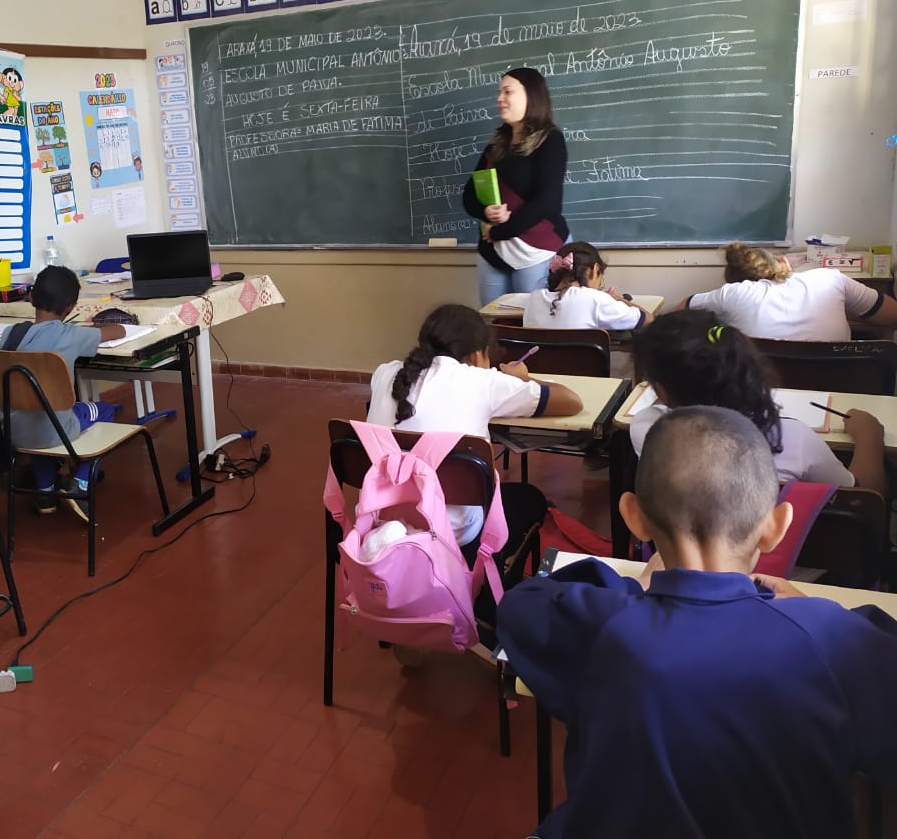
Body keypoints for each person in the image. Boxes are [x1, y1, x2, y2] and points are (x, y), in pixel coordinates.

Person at [498, 406, 897, 838]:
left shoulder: (607, 627)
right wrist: (812, 610)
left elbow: (521, 608)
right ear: (776, 527)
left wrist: (636, 590)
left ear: (634, 517)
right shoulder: (833, 641)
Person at [367, 304, 583, 555]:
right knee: (530, 498)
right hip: (454, 534)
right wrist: (520, 380)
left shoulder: (384, 374)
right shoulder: (483, 382)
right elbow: (571, 401)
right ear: (475, 355)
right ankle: (487, 587)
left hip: (382, 523)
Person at [631, 309, 885, 494]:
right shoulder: (794, 439)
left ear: (660, 389)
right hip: (791, 566)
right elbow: (865, 496)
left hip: (692, 561)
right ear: (745, 368)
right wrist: (869, 437)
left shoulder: (648, 429)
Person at [1, 266, 123, 511]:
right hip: (57, 431)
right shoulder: (71, 335)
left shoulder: (10, 334)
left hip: (13, 431)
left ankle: (45, 493)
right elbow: (116, 331)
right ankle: (80, 483)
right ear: (71, 307)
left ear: (31, 297)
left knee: (35, 411)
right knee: (106, 410)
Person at [463, 67, 570, 306]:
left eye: (507, 91)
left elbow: (548, 202)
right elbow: (469, 195)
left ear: (530, 96)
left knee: (535, 326)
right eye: (499, 92)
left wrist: (498, 231)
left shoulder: (550, 140)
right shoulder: (496, 145)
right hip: (493, 252)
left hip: (537, 251)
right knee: (494, 327)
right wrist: (485, 212)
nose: (499, 98)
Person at [682, 242, 897, 341]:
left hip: (763, 401)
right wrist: (845, 311)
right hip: (838, 396)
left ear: (735, 280)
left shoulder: (731, 294)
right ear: (779, 264)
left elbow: (681, 309)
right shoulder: (830, 278)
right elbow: (892, 316)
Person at [523, 241, 651, 330]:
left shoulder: (534, 298)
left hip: (535, 369)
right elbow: (648, 319)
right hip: (580, 369)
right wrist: (618, 299)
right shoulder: (596, 299)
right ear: (594, 269)